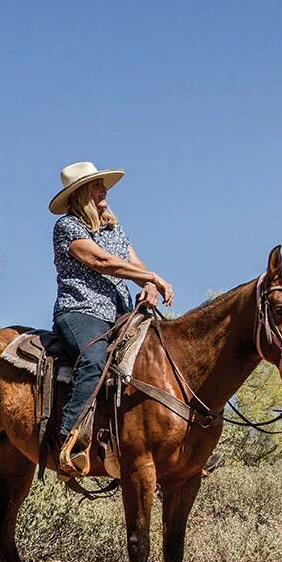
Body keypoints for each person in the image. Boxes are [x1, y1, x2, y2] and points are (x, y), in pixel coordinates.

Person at [48, 161, 175, 475]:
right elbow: (101, 261)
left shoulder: (115, 229)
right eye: (96, 185)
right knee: (93, 359)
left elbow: (134, 264)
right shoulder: (68, 227)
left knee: (163, 354)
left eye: (103, 184)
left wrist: (147, 284)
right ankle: (68, 440)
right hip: (81, 311)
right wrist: (152, 277)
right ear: (80, 194)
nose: (104, 190)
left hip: (120, 314)